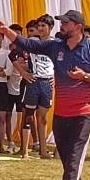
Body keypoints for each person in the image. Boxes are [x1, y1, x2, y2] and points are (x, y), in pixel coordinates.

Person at [0, 10, 90, 180]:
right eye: (61, 22)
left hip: (84, 110)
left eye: (65, 23)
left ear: (78, 27)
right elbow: (29, 44)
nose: (61, 26)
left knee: (75, 153)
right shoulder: (56, 46)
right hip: (62, 111)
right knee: (65, 154)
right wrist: (7, 32)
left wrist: (84, 76)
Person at [19, 21, 55, 158]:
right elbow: (13, 55)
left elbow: (62, 61)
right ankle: (25, 152)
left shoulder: (56, 43)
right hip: (34, 81)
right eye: (38, 26)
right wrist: (23, 73)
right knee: (29, 116)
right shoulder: (32, 42)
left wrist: (56, 76)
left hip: (47, 83)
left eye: (43, 26)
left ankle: (43, 150)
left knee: (43, 118)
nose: (40, 29)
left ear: (51, 27)